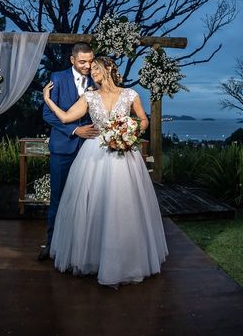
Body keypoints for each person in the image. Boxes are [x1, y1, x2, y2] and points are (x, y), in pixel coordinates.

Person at [42, 56, 168, 287]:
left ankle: (126, 261)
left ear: (108, 68)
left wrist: (129, 133)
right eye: (90, 70)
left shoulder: (130, 94)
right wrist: (48, 100)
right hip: (94, 154)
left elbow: (143, 120)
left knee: (123, 205)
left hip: (124, 155)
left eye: (96, 68)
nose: (92, 72)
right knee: (94, 205)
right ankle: (93, 258)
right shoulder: (89, 96)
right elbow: (67, 117)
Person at [39, 43, 99, 261]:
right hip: (63, 148)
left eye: (91, 61)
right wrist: (75, 130)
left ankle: (83, 248)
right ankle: (52, 245)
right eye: (83, 61)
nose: (88, 65)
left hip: (92, 150)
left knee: (89, 199)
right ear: (72, 60)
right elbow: (48, 114)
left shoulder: (98, 78)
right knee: (58, 198)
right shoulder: (58, 77)